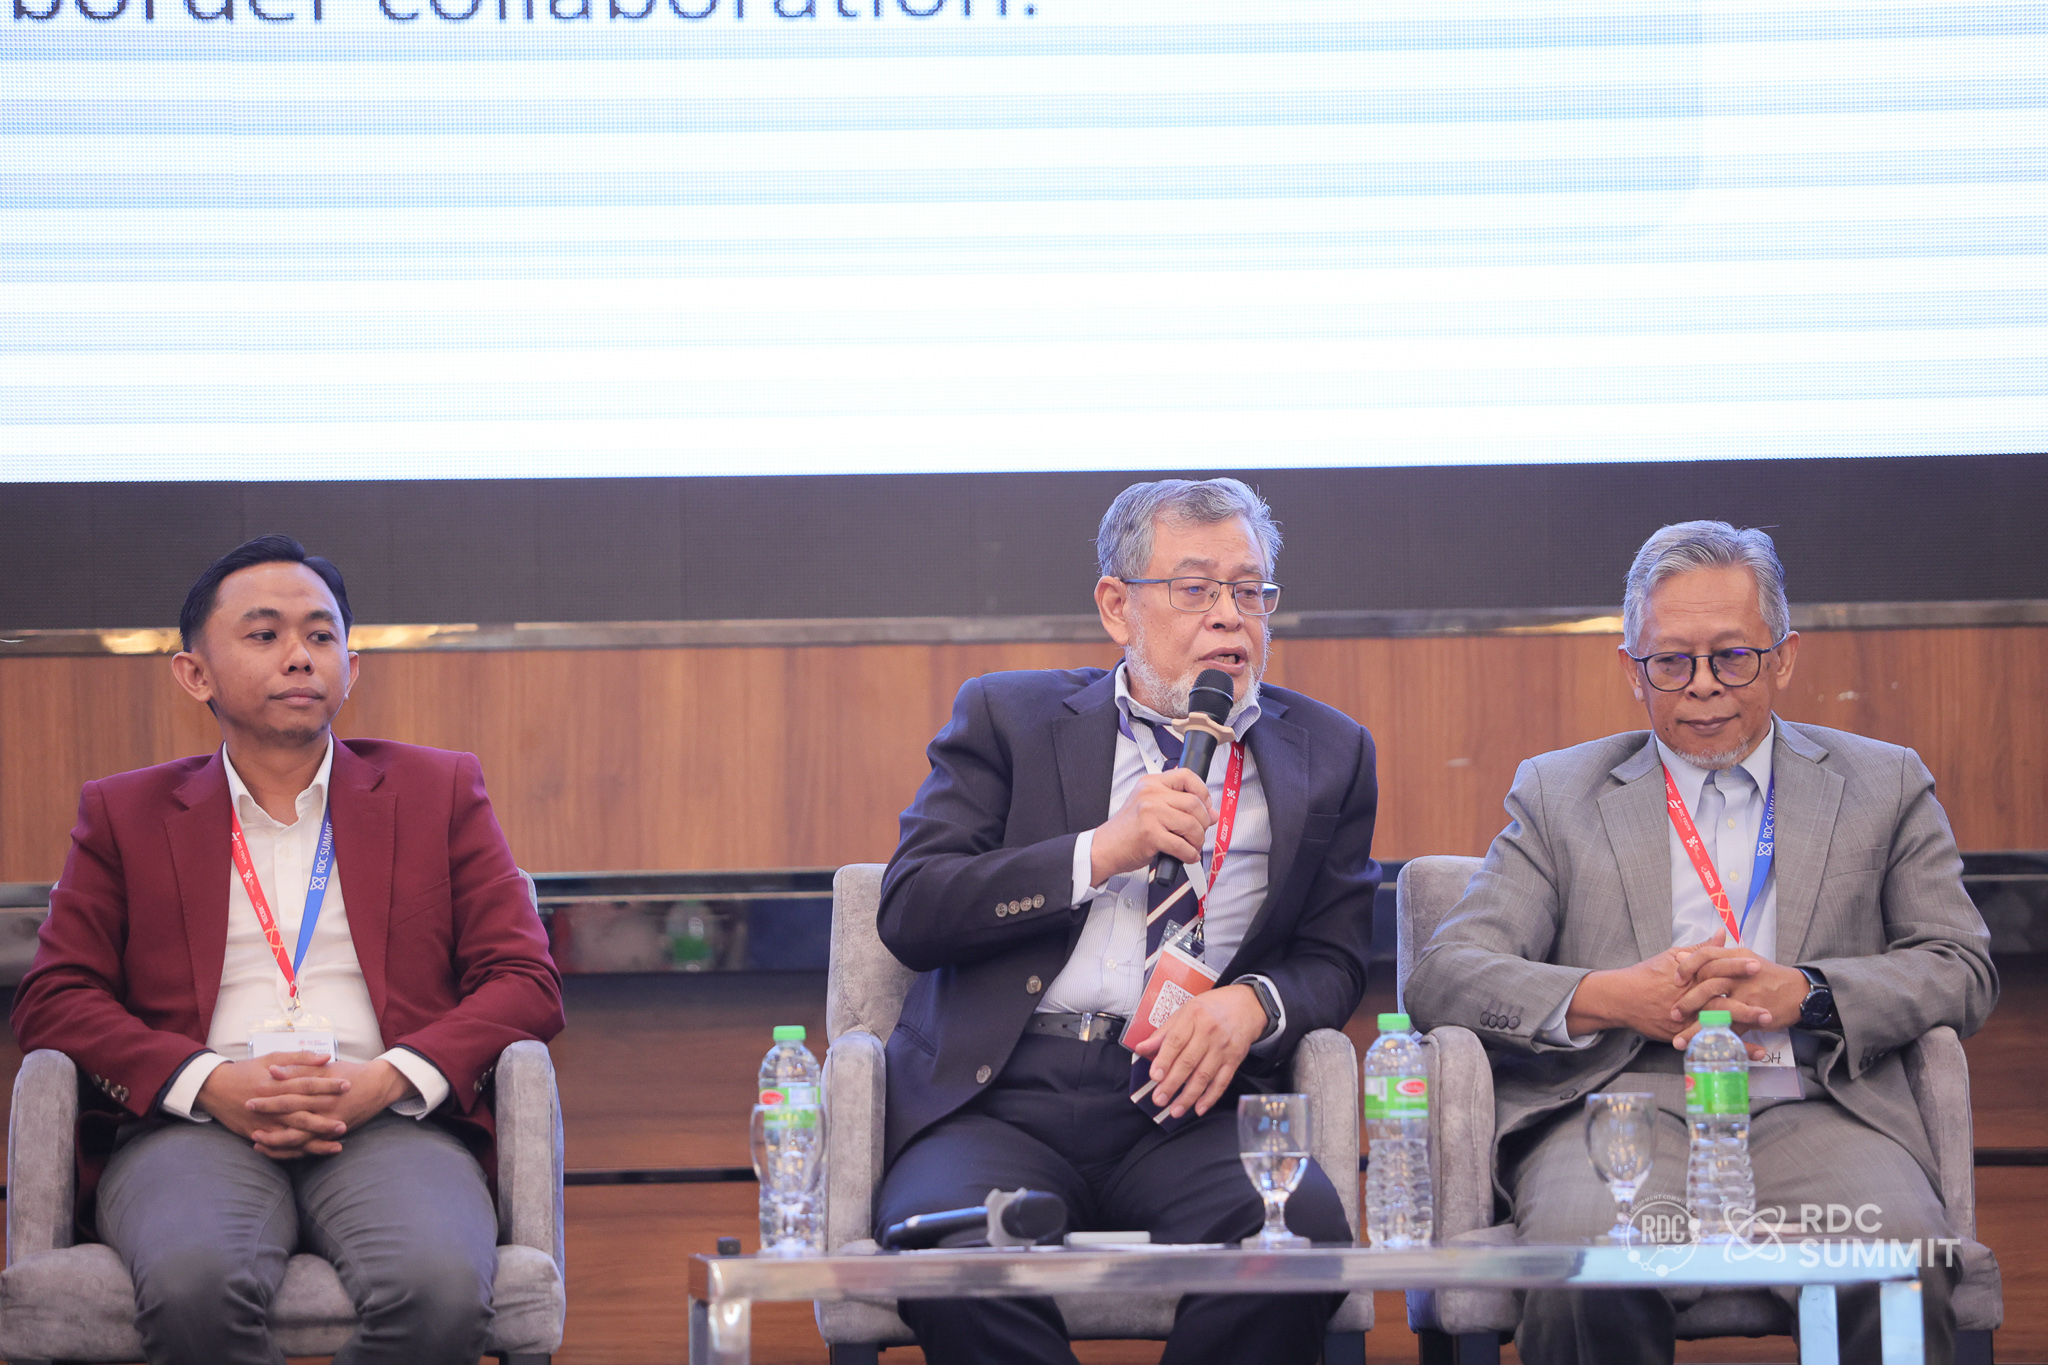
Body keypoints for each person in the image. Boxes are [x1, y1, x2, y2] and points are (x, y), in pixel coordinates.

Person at [1405, 520, 1998, 1365]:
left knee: (1894, 1263)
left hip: (1816, 1102)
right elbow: (1446, 975)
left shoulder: (1883, 782)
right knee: (1587, 1267)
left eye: (1733, 656)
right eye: (1672, 662)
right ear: (1631, 669)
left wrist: (1809, 992)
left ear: (1783, 657)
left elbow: (1960, 963)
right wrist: (1613, 997)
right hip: (1619, 1108)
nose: (1704, 686)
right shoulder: (1558, 793)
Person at [11, 534, 566, 1365]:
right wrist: (210, 1083)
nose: (300, 655)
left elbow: (525, 980)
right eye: (265, 634)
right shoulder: (125, 813)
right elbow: (55, 996)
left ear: (351, 666)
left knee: (440, 1288)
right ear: (194, 673)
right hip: (193, 1123)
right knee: (195, 1284)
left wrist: (388, 1078)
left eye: (320, 634)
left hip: (388, 1116)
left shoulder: (439, 791)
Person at [874, 478, 1381, 1365]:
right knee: (955, 1264)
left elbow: (1335, 955)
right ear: (1118, 606)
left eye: (1250, 590)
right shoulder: (1009, 716)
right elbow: (913, 906)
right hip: (1000, 1096)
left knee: (1296, 1244)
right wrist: (1100, 850)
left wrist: (1254, 1003)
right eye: (1195, 588)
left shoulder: (1330, 752)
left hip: (1192, 1100)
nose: (1230, 616)